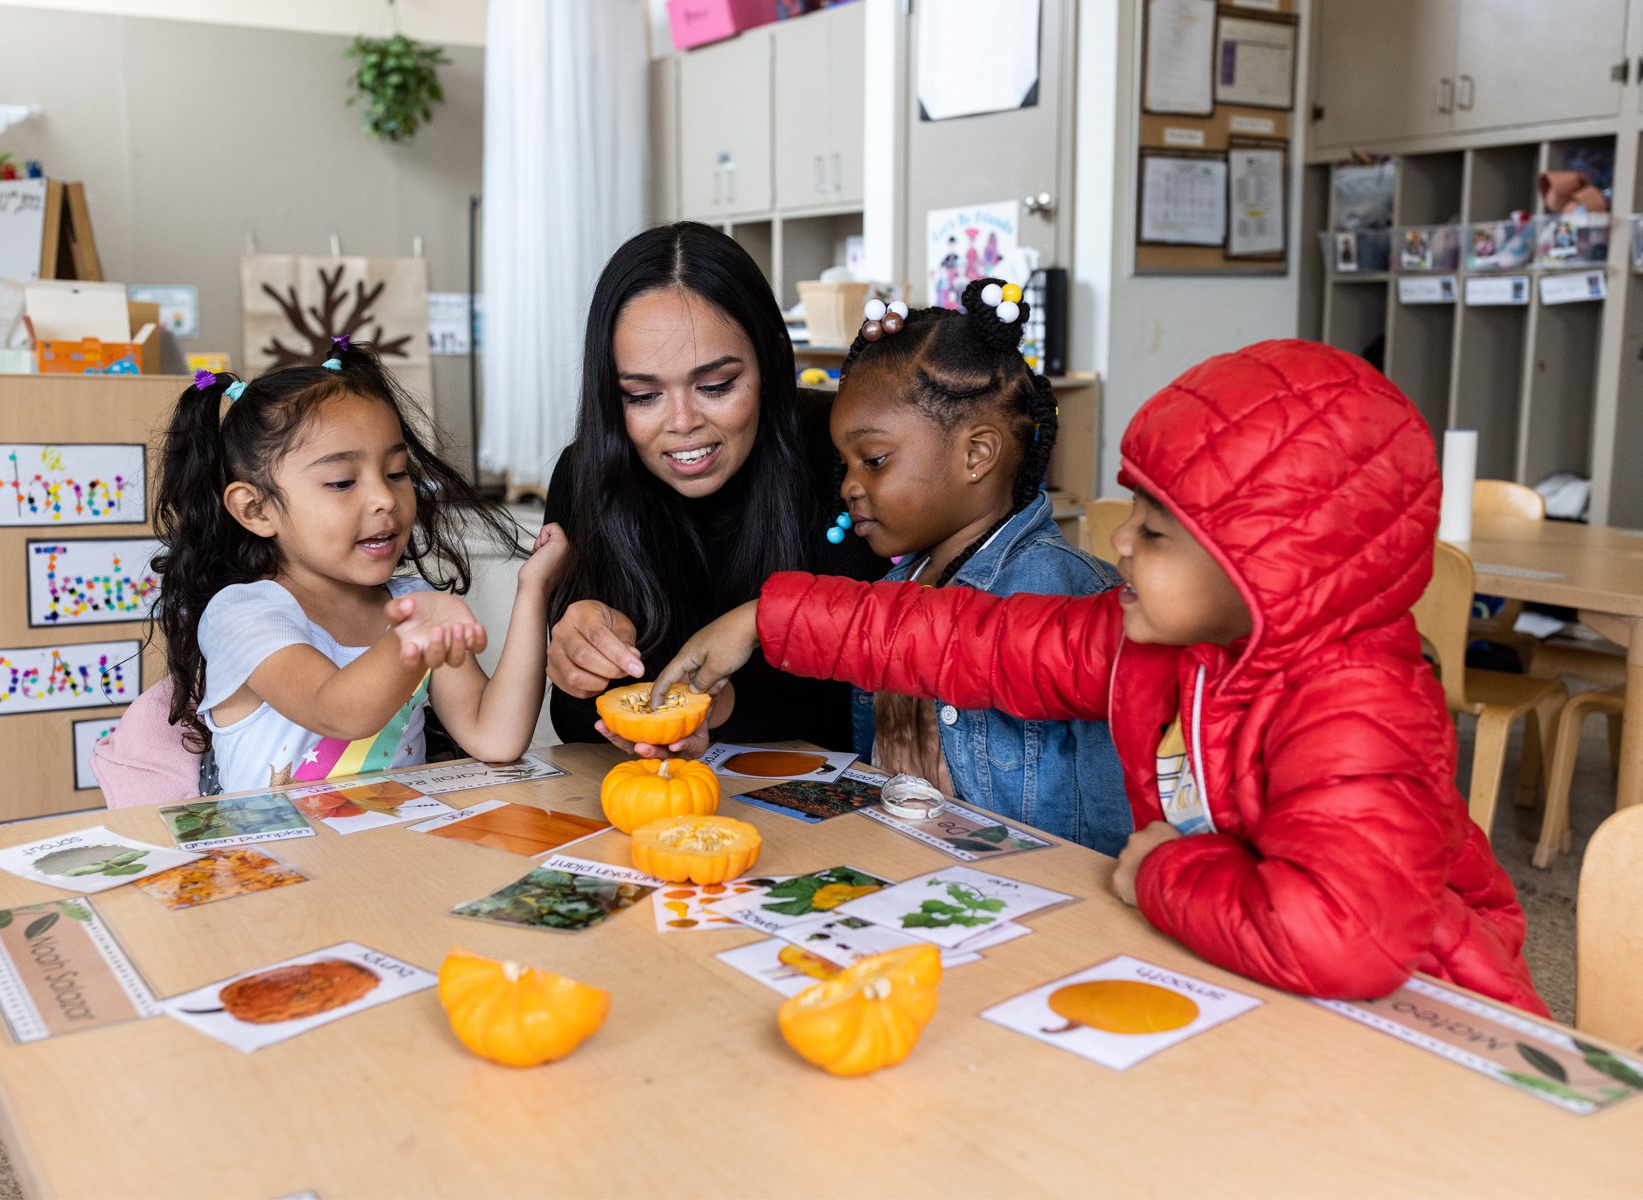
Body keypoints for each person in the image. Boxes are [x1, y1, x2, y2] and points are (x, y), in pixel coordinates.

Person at [649, 339, 1549, 1016]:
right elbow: (970, 640)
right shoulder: (1150, 644)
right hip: (1266, 980)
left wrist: (1164, 873)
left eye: (1154, 533)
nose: (1119, 544)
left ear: (1263, 566)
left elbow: (1344, 941)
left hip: (1422, 1016)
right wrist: (766, 619)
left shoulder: (1360, 704)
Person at [152, 340, 569, 795]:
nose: (385, 498)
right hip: (276, 862)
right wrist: (414, 635)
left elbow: (496, 738)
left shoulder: (410, 604)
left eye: (395, 472)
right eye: (342, 482)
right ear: (256, 510)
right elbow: (337, 711)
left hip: (387, 855)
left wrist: (533, 589)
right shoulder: (243, 614)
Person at [544, 221, 882, 757]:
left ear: (771, 361)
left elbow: (868, 688)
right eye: (641, 395)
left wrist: (708, 706)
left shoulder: (844, 456)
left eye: (716, 386)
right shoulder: (587, 475)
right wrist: (578, 664)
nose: (682, 422)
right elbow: (576, 726)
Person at [827, 278, 1126, 852]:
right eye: (845, 464)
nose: (849, 486)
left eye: (873, 460)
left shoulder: (1065, 596)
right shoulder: (896, 587)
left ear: (977, 454)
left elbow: (1114, 813)